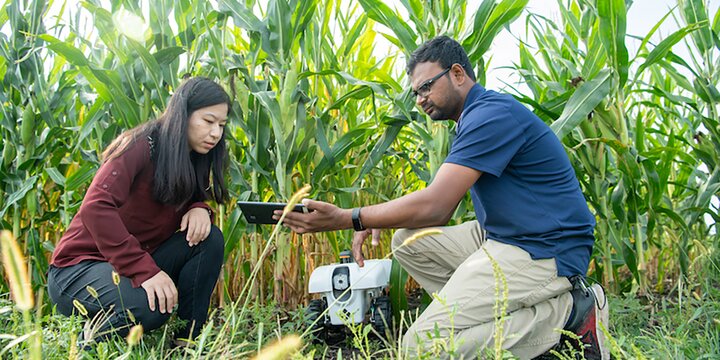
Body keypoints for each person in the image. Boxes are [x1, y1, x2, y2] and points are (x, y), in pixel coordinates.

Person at [278, 36, 609, 359]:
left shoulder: (490, 114)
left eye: (426, 87)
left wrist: (350, 217)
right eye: (415, 93)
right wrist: (373, 216)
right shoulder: (475, 117)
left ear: (457, 74)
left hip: (544, 248)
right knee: (409, 241)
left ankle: (568, 316)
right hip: (506, 234)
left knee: (419, 348)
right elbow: (434, 206)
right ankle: (494, 318)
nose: (420, 99)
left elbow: (437, 207)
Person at [48, 77, 230, 347]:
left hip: (133, 261)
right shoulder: (141, 145)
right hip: (79, 268)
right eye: (208, 121)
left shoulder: (194, 156)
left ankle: (187, 343)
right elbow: (95, 207)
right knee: (152, 307)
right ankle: (90, 342)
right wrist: (144, 270)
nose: (216, 133)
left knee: (209, 240)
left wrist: (199, 207)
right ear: (184, 115)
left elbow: (185, 196)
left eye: (222, 125)